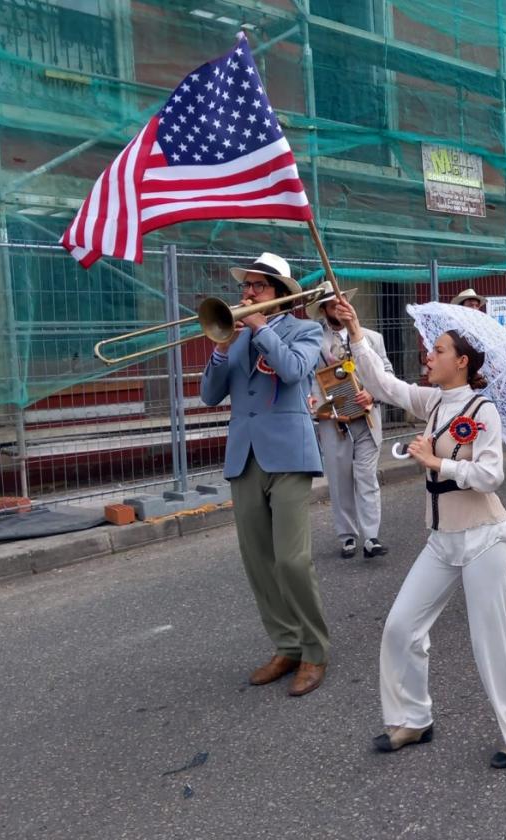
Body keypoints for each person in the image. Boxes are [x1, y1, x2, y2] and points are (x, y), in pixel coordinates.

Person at [335, 298, 506, 767]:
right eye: (431, 349)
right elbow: (382, 385)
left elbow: (491, 476)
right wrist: (356, 331)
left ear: (462, 361)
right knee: (400, 627)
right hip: (442, 537)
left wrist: (437, 462)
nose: (429, 355)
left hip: (485, 536)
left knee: (491, 641)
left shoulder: (483, 409)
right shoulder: (433, 400)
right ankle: (412, 719)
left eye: (439, 350)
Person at [200, 252, 329, 696]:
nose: (248, 293)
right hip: (244, 456)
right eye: (247, 286)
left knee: (293, 559)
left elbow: (294, 371)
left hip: (289, 454)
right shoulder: (231, 336)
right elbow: (209, 396)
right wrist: (220, 348)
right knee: (259, 560)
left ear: (280, 296)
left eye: (258, 286)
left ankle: (314, 650)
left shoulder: (305, 330)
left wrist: (261, 328)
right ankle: (286, 644)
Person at [308, 291, 391, 559]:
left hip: (367, 416)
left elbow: (387, 373)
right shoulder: (312, 339)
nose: (340, 306)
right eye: (333, 304)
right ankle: (347, 536)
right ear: (323, 310)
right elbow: (306, 377)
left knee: (366, 477)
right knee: (340, 478)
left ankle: (371, 537)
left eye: (343, 301)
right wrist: (312, 400)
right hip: (332, 419)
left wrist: (372, 393)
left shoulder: (372, 338)